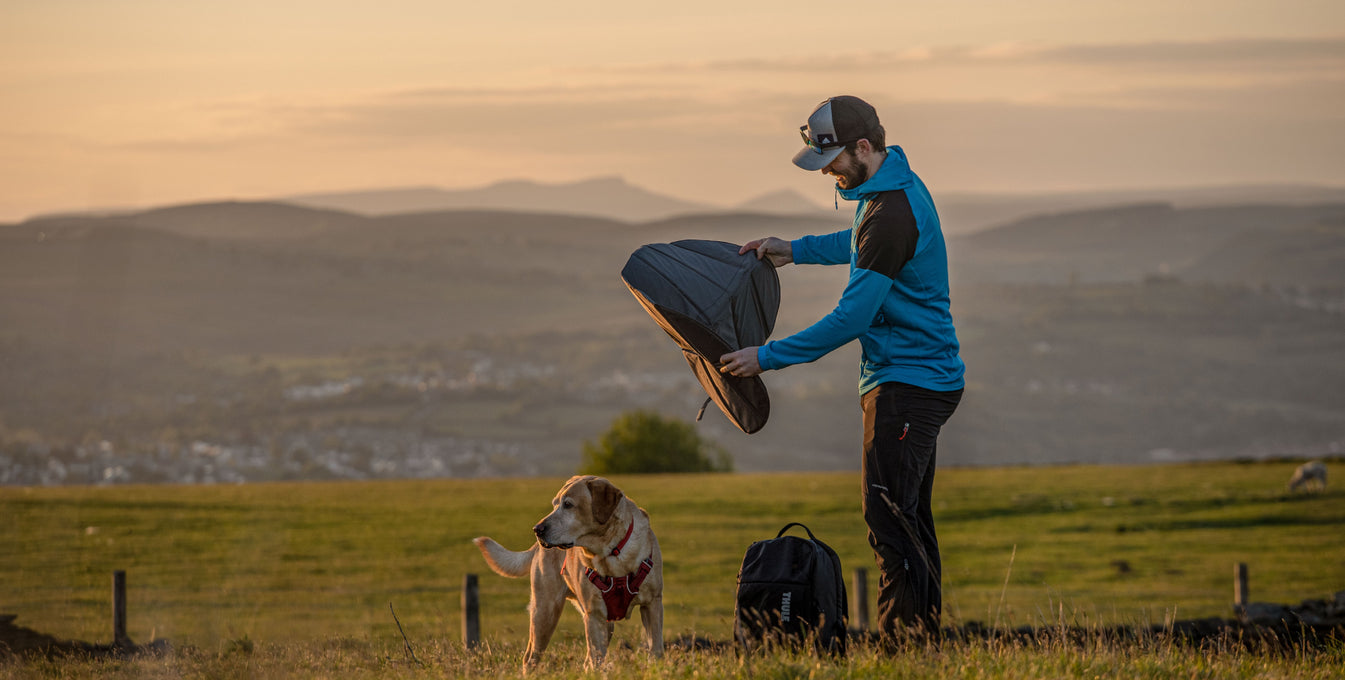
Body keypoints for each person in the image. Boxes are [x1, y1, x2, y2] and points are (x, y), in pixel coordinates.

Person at [718, 95, 965, 644]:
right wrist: (794, 249)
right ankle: (921, 647)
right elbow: (860, 242)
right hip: (919, 378)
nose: (827, 172)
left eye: (831, 161)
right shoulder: (889, 189)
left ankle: (903, 651)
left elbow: (852, 317)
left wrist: (765, 356)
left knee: (889, 523)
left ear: (862, 147)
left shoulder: (891, 212)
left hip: (907, 385)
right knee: (908, 520)